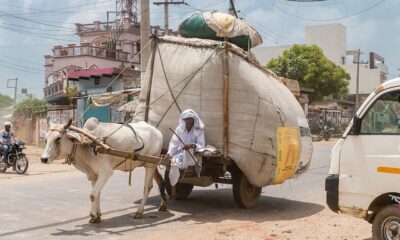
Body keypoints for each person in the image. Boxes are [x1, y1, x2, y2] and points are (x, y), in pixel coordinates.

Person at [163, 109, 205, 200]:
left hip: (192, 155)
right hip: (180, 154)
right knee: (173, 163)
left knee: (184, 156)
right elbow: (174, 143)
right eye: (186, 119)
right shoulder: (179, 129)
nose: (188, 121)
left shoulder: (199, 130)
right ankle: (173, 187)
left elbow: (201, 145)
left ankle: (182, 166)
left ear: (194, 119)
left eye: (190, 119)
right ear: (184, 120)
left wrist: (191, 145)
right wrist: (169, 154)